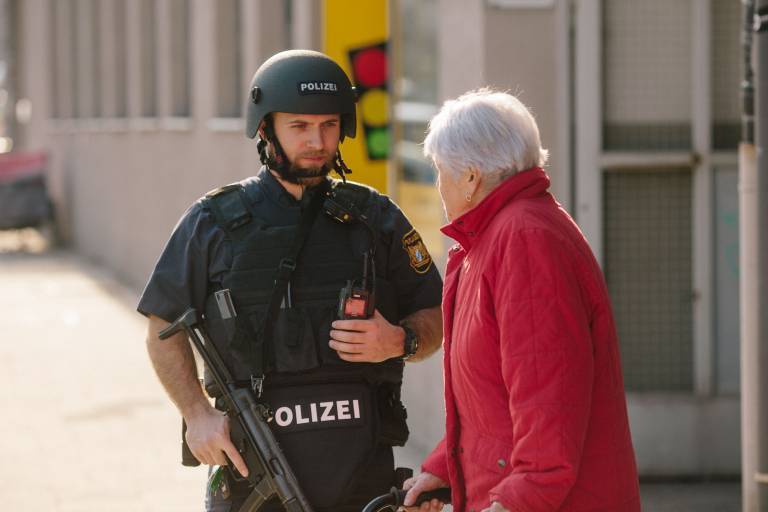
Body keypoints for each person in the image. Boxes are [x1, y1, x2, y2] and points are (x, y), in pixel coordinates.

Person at [139, 49, 443, 512]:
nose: (317, 140)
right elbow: (162, 326)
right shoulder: (213, 221)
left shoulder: (376, 218)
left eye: (327, 125)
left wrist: (400, 341)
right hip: (254, 470)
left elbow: (437, 313)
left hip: (364, 473)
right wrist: (196, 413)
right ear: (266, 129)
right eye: (299, 126)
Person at [403, 89, 641, 512]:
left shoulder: (525, 240)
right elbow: (489, 401)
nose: (438, 185)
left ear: (471, 178)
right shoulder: (494, 238)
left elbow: (547, 394)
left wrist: (517, 501)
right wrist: (445, 466)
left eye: (440, 171)